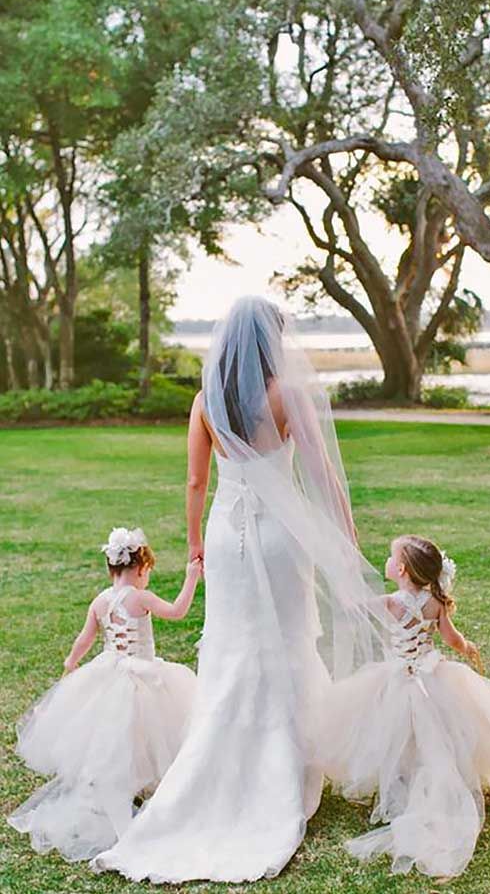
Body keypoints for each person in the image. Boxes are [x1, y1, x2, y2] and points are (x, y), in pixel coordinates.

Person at [93, 296, 388, 884]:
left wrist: (196, 542)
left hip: (228, 535)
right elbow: (323, 475)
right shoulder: (287, 396)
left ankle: (214, 765)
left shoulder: (206, 401)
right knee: (284, 641)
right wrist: (346, 539)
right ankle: (288, 767)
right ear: (271, 344)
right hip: (281, 535)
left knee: (231, 646)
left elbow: (197, 480)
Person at [317, 533, 490, 880]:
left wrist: (341, 590)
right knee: (439, 732)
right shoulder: (435, 603)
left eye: (389, 556)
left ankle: (404, 783)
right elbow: (451, 638)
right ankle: (428, 778)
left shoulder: (390, 603)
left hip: (396, 678)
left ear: (399, 569)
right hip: (432, 676)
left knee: (394, 732)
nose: (385, 561)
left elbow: (356, 610)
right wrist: (468, 647)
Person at [7, 527, 201, 862]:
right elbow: (177, 611)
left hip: (108, 671)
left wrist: (71, 662)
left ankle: (123, 788)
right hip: (141, 675)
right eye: (148, 574)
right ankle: (149, 795)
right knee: (150, 732)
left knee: (114, 736)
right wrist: (192, 577)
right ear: (141, 569)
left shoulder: (100, 600)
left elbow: (84, 639)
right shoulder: (140, 598)